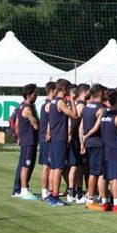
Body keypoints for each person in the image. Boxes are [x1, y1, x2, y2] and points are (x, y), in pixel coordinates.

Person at [45, 78, 79, 206]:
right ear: (64, 89)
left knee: (54, 168)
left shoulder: (53, 101)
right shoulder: (60, 102)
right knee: (58, 169)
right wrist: (72, 100)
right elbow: (74, 115)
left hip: (54, 138)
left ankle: (51, 194)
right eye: (69, 89)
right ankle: (54, 197)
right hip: (59, 139)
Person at [81, 84, 107, 210]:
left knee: (99, 171)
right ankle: (90, 199)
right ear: (101, 93)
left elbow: (81, 126)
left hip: (90, 143)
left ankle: (102, 198)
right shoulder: (101, 108)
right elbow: (97, 127)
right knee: (95, 172)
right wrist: (86, 137)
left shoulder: (86, 107)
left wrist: (82, 141)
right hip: (97, 142)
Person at [13, 83, 39, 200]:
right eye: (35, 93)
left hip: (26, 140)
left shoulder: (22, 106)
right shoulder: (27, 108)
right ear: (29, 94)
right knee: (26, 165)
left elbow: (17, 124)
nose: (36, 95)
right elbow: (35, 125)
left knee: (24, 164)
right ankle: (23, 190)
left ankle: (20, 189)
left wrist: (19, 137)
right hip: (29, 140)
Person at [67, 84, 89, 204]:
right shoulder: (80, 105)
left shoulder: (77, 104)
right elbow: (76, 123)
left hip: (76, 138)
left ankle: (77, 192)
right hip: (77, 138)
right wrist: (78, 140)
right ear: (84, 92)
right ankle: (73, 193)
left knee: (78, 167)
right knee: (75, 166)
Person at [37, 81, 56, 201]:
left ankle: (47, 191)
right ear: (52, 90)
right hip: (47, 138)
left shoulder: (47, 103)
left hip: (46, 138)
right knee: (47, 166)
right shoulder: (49, 104)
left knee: (49, 165)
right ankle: (44, 192)